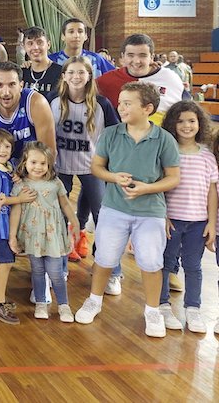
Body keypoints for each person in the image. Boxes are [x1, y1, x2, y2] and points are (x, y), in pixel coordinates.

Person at [74, 82, 180, 338]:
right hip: (114, 209)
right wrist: (112, 177)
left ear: (147, 108)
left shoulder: (164, 139)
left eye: (127, 103)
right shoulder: (110, 134)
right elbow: (97, 168)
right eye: (120, 102)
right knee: (104, 259)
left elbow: (173, 178)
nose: (120, 107)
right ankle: (94, 300)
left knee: (151, 263)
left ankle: (153, 311)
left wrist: (146, 189)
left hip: (151, 212)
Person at [48, 57, 119, 272]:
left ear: (89, 76)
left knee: (102, 215)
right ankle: (59, 267)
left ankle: (111, 268)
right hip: (60, 166)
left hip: (92, 166)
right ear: (64, 76)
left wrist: (108, 162)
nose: (76, 77)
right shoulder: (52, 99)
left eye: (81, 72)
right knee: (58, 215)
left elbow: (113, 134)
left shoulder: (102, 103)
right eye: (71, 72)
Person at [156, 101, 216, 333]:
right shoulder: (167, 151)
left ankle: (193, 309)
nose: (186, 125)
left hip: (198, 223)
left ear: (200, 123)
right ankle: (162, 305)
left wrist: (211, 221)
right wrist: (164, 216)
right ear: (172, 123)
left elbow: (212, 191)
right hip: (172, 220)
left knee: (193, 266)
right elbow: (159, 185)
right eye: (180, 121)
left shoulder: (207, 156)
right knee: (166, 263)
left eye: (191, 120)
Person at [8, 142, 81, 323]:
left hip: (53, 233)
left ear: (49, 164)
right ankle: (41, 302)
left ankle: (64, 305)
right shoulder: (21, 185)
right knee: (37, 270)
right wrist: (12, 237)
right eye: (33, 162)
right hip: (32, 234)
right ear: (25, 162)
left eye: (43, 163)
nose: (38, 167)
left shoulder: (55, 183)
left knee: (56, 272)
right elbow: (16, 210)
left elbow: (65, 203)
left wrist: (75, 222)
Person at [0, 128, 36, 324]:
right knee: (6, 261)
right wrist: (19, 198)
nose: (3, 150)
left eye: (7, 146)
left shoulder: (7, 168)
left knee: (5, 260)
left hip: (6, 223)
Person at [0, 61, 56, 163]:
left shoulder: (37, 103)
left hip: (31, 171)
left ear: (21, 85)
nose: (6, 92)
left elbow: (49, 152)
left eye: (12, 85)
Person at [96, 34, 185, 126]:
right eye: (130, 55)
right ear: (123, 56)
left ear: (151, 57)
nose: (137, 61)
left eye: (142, 55)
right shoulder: (106, 81)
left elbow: (185, 112)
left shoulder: (170, 78)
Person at [48, 18, 115, 78]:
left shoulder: (96, 59)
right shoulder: (51, 61)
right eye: (71, 32)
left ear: (85, 36)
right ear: (63, 36)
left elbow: (116, 77)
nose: (76, 35)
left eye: (80, 31)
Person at [21, 26, 63, 95]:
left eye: (39, 42)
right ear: (24, 47)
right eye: (30, 43)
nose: (35, 47)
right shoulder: (22, 73)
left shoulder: (60, 72)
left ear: (48, 45)